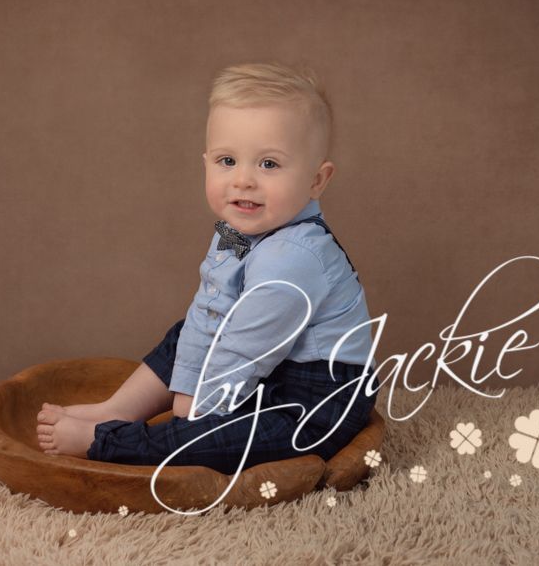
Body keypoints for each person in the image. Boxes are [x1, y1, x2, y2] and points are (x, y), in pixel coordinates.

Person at [36, 62, 379, 475]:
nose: (243, 180)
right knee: (187, 330)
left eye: (269, 164)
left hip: (315, 399)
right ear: (206, 163)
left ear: (316, 181)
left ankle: (105, 442)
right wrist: (186, 387)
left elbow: (243, 351)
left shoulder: (293, 256)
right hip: (265, 367)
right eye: (227, 160)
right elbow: (209, 311)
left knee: (222, 440)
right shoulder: (235, 232)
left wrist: (200, 411)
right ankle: (116, 411)